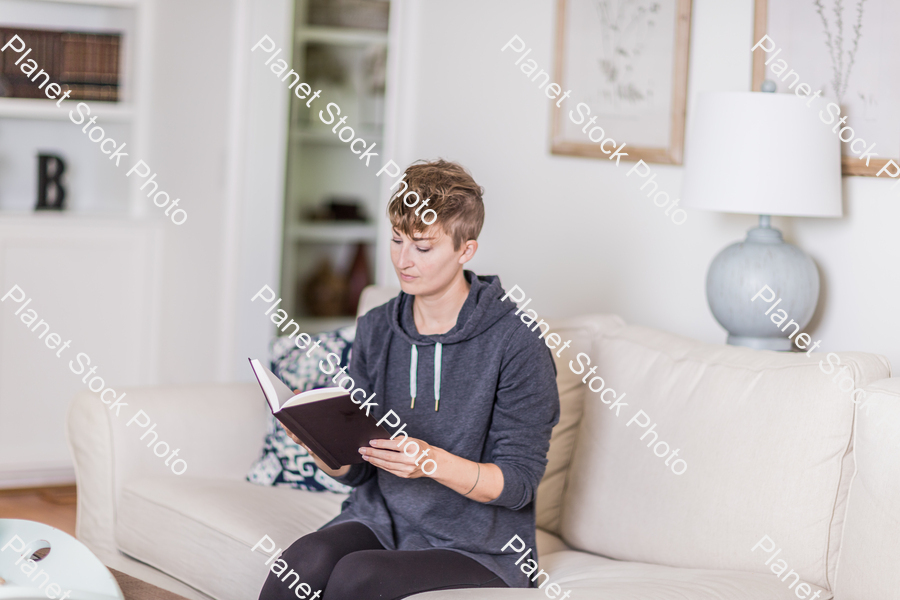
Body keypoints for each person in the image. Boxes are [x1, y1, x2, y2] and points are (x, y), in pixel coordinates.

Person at [258, 159, 560, 600]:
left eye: (423, 247)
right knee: (301, 562)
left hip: (480, 546)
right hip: (381, 520)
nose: (403, 260)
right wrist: (322, 445)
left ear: (465, 250)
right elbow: (358, 471)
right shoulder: (377, 326)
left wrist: (430, 462)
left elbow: (516, 485)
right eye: (397, 241)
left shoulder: (517, 343)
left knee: (359, 576)